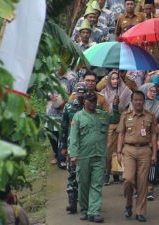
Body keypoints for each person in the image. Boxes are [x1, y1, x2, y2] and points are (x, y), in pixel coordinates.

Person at [68, 92, 120, 223]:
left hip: (99, 155)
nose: (92, 103)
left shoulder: (102, 115)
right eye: (90, 101)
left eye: (94, 101)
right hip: (83, 156)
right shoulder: (78, 117)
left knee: (96, 184)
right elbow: (73, 137)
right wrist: (73, 155)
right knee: (84, 183)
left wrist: (115, 106)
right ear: (84, 101)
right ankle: (85, 209)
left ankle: (94, 211)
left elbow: (115, 119)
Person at [117, 91, 158, 222]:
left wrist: (155, 154)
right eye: (136, 100)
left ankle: (140, 211)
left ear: (144, 101)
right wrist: (118, 152)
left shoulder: (150, 116)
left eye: (141, 100)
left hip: (145, 150)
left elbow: (153, 136)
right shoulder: (125, 115)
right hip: (128, 150)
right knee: (128, 179)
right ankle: (129, 203)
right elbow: (121, 134)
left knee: (142, 183)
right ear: (132, 101)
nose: (139, 102)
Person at [59, 82, 88, 214]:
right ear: (75, 93)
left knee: (86, 176)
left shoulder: (91, 107)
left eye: (83, 94)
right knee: (72, 174)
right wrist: (63, 146)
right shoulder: (69, 107)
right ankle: (72, 203)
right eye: (79, 94)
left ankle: (86, 203)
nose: (81, 97)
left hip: (88, 147)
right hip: (73, 147)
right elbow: (63, 128)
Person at [101, 71, 133, 185]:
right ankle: (106, 173)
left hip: (121, 125)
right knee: (108, 151)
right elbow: (102, 111)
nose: (115, 81)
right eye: (112, 79)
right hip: (108, 126)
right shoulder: (103, 93)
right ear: (109, 80)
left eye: (117, 79)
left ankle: (117, 173)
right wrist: (113, 107)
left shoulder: (126, 91)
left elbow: (129, 109)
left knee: (120, 150)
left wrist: (118, 107)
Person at [46, 67, 75, 169]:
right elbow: (45, 91)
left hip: (64, 111)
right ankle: (56, 154)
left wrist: (66, 102)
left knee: (62, 134)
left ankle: (61, 158)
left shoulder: (71, 78)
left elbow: (74, 93)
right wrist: (49, 96)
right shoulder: (51, 77)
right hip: (51, 110)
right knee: (51, 133)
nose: (60, 67)